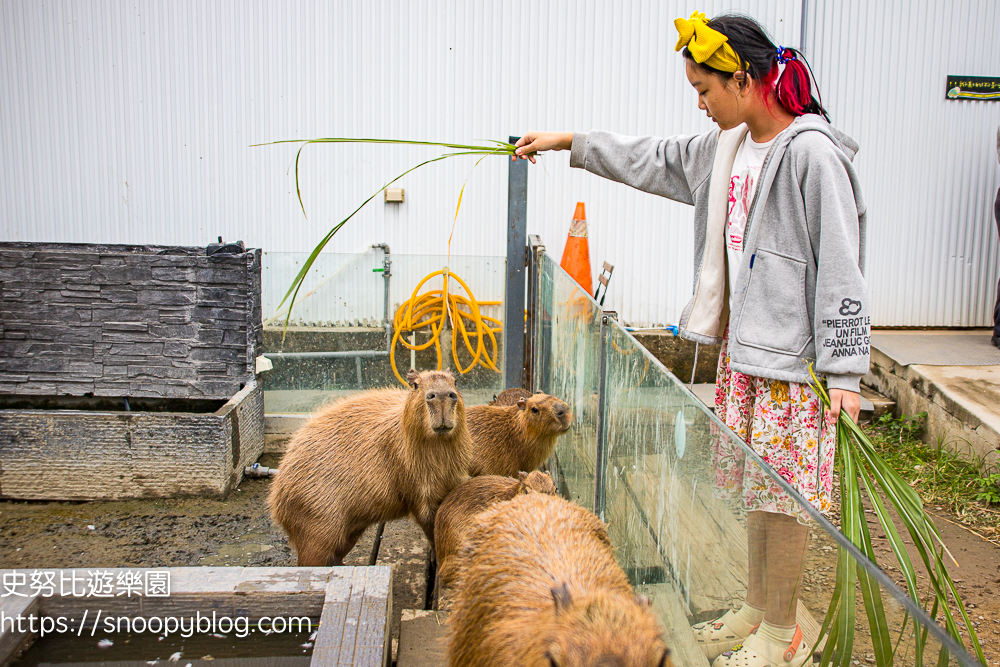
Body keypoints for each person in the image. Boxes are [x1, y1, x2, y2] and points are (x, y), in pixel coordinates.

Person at [514, 11, 868, 667]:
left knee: (781, 507)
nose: (700, 105)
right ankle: (758, 610)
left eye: (705, 90)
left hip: (794, 369)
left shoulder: (812, 155)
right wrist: (569, 140)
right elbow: (653, 157)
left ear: (742, 76)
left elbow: (843, 267)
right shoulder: (727, 148)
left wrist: (845, 373)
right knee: (757, 500)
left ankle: (782, 632)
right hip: (745, 355)